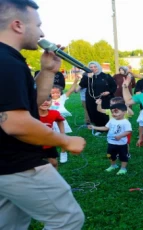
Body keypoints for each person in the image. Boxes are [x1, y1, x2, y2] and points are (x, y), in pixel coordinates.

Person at [0, 0, 85, 229]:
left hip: (6, 169)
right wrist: (66, 141)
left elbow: (28, 105)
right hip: (18, 164)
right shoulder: (6, 62)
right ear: (18, 25)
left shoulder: (10, 60)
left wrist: (47, 71)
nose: (42, 32)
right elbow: (16, 123)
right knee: (67, 219)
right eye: (37, 25)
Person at [89, 103, 132, 175]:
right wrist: (94, 127)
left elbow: (128, 131)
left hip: (121, 144)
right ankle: (113, 165)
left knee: (123, 156)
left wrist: (120, 135)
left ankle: (123, 168)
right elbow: (106, 128)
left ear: (124, 112)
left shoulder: (125, 122)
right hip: (111, 143)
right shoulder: (112, 120)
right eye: (112, 112)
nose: (114, 114)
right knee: (111, 155)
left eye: (116, 112)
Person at [78, 61, 117, 130]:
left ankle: (108, 127)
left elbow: (114, 86)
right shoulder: (86, 76)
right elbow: (82, 85)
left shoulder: (105, 76)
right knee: (94, 112)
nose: (93, 68)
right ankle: (98, 128)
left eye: (95, 67)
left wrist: (109, 92)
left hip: (105, 98)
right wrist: (88, 77)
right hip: (91, 98)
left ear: (98, 67)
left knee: (104, 113)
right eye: (91, 67)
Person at [49, 75, 79, 163]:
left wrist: (75, 81)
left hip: (61, 121)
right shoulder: (46, 100)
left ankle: (63, 153)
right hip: (51, 122)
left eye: (57, 93)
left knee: (63, 137)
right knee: (51, 138)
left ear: (60, 92)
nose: (55, 94)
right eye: (53, 93)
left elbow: (70, 90)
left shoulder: (62, 99)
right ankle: (51, 154)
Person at [39, 97, 65, 170]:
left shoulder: (54, 113)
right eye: (42, 100)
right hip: (33, 144)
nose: (45, 102)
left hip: (49, 142)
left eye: (48, 100)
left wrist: (62, 133)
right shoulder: (30, 114)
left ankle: (55, 179)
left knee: (53, 162)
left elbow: (60, 120)